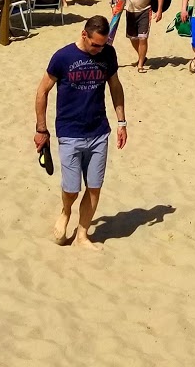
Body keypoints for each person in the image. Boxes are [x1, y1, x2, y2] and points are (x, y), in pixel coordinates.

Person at [33, 15, 127, 247]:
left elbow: (115, 86)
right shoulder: (62, 57)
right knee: (72, 188)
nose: (99, 49)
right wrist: (41, 129)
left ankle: (83, 234)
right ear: (84, 34)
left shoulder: (107, 54)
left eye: (103, 44)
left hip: (98, 132)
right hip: (69, 132)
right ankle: (66, 212)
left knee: (94, 187)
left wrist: (122, 122)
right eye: (95, 44)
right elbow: (42, 92)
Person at [123, 0, 165, 73]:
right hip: (129, 9)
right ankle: (142, 56)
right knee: (132, 37)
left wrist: (160, 10)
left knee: (143, 38)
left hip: (145, 10)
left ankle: (140, 64)